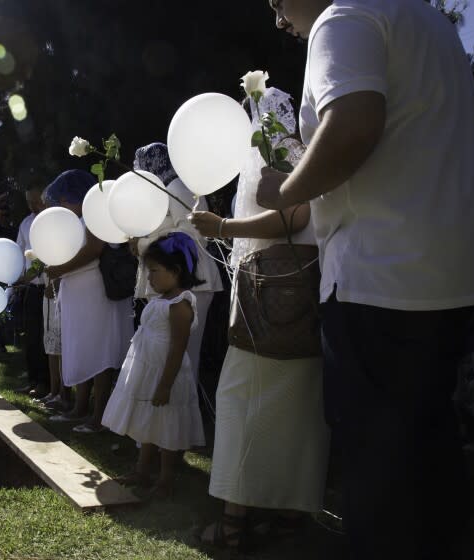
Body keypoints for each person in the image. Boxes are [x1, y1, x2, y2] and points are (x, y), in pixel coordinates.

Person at [255, 1, 474, 557]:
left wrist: (285, 190)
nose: (278, 19)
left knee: (379, 474)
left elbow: (354, 123)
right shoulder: (424, 18)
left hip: (380, 277)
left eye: (275, 1)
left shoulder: (345, 17)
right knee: (431, 458)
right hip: (452, 276)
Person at [190, 86, 329, 552]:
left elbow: (292, 216)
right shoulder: (298, 151)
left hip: (271, 297)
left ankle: (233, 524)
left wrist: (223, 228)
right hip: (293, 297)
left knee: (239, 406)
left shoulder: (278, 151)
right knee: (296, 412)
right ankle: (286, 518)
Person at [102, 233, 205, 498]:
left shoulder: (180, 305)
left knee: (167, 426)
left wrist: (165, 385)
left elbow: (177, 348)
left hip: (165, 375)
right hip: (147, 371)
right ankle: (142, 470)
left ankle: (166, 478)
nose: (149, 278)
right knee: (147, 422)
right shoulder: (160, 300)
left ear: (176, 270)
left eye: (155, 272)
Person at [44, 170, 134, 433]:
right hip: (79, 295)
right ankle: (79, 407)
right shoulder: (80, 220)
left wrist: (60, 269)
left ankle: (98, 416)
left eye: (63, 199)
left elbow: (94, 250)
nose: (60, 205)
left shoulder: (94, 215)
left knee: (100, 352)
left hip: (95, 294)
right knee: (82, 350)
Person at [129, 142, 223, 379]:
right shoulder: (161, 191)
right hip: (168, 280)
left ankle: (183, 409)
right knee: (162, 354)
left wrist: (142, 243)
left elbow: (191, 235)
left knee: (182, 355)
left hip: (189, 281)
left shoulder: (178, 187)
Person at [15, 186, 50, 396]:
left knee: (46, 338)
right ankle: (33, 380)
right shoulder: (26, 223)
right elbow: (19, 252)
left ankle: (46, 383)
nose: (33, 206)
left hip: (50, 286)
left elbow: (47, 255)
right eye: (29, 202)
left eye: (37, 201)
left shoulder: (53, 219)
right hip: (30, 288)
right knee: (31, 338)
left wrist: (29, 275)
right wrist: (18, 277)